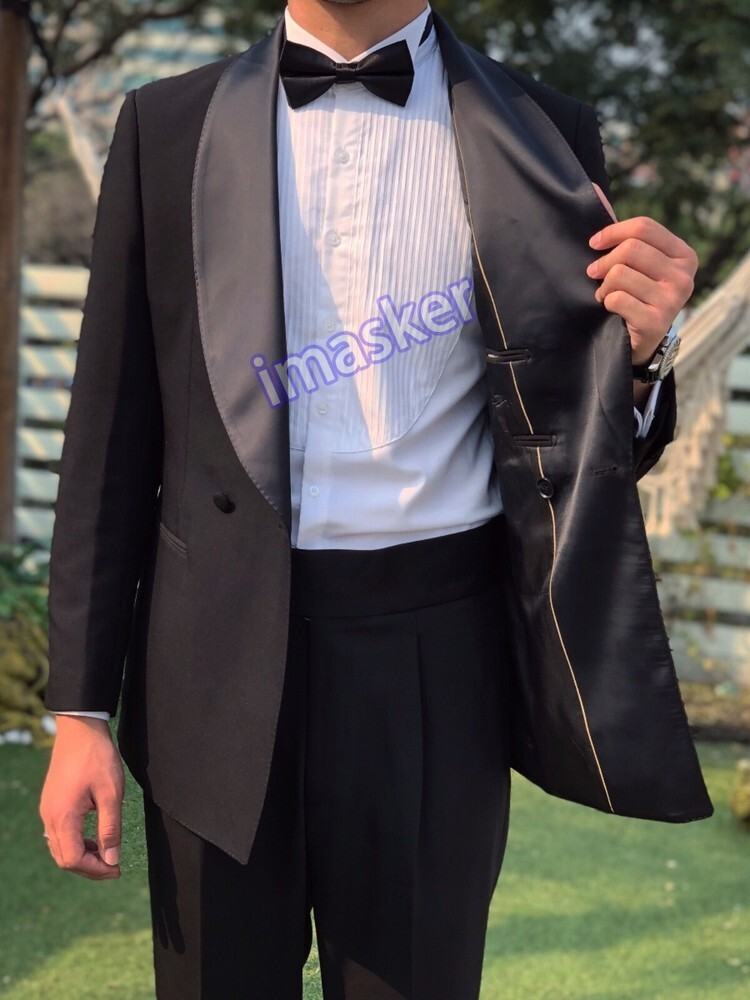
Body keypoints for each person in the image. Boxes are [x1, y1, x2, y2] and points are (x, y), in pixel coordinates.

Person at [39, 2, 713, 997]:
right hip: (210, 664)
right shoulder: (165, 124)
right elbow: (109, 432)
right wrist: (79, 709)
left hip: (440, 666)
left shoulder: (546, 132)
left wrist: (646, 358)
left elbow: (571, 433)